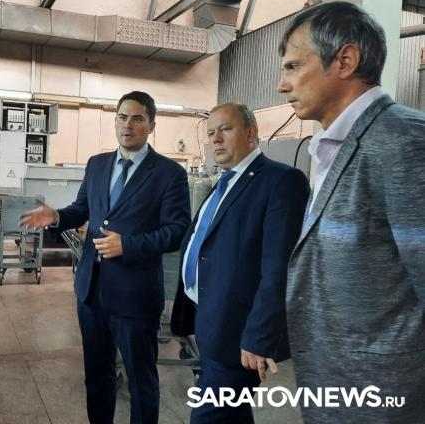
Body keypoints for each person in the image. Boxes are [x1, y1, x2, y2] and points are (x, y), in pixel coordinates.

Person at [278, 1, 425, 423]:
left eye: (293, 66)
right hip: (338, 386)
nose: (282, 85)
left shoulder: (401, 142)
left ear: (344, 60)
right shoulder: (335, 146)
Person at [21, 91, 190, 424]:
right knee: (97, 376)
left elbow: (177, 230)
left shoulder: (169, 173)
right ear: (115, 121)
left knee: (141, 381)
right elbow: (82, 209)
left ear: (151, 125)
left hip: (135, 294)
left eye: (138, 118)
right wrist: (57, 216)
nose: (128, 125)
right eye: (122, 117)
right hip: (92, 291)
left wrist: (130, 245)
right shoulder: (97, 164)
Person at [170, 103, 310, 424]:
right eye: (211, 133)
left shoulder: (281, 181)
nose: (216, 139)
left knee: (209, 416)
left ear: (251, 132)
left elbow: (280, 268)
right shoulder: (224, 183)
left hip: (238, 333)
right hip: (209, 321)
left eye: (226, 129)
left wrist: (260, 335)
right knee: (232, 414)